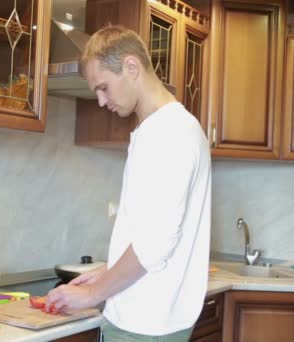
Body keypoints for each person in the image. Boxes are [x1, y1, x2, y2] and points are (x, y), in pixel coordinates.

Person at [46, 25, 212, 341]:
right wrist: (107, 272)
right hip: (152, 319)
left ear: (131, 67)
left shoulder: (169, 133)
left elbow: (155, 243)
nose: (100, 100)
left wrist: (94, 293)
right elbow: (149, 233)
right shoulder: (167, 128)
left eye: (104, 87)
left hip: (145, 324)